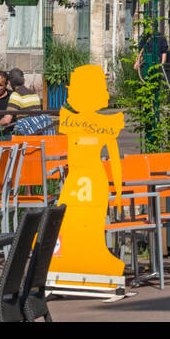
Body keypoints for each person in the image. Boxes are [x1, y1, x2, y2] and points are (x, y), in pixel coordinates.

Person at [51, 64, 125, 284]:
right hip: (77, 179)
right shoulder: (74, 121)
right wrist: (118, 191)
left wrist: (119, 191)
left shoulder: (103, 123)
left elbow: (114, 159)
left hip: (92, 181)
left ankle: (90, 266)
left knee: (89, 226)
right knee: (64, 221)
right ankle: (64, 264)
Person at [0, 67, 49, 137]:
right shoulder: (34, 94)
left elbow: (6, 121)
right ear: (24, 80)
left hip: (23, 136)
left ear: (9, 83)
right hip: (36, 134)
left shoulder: (16, 95)